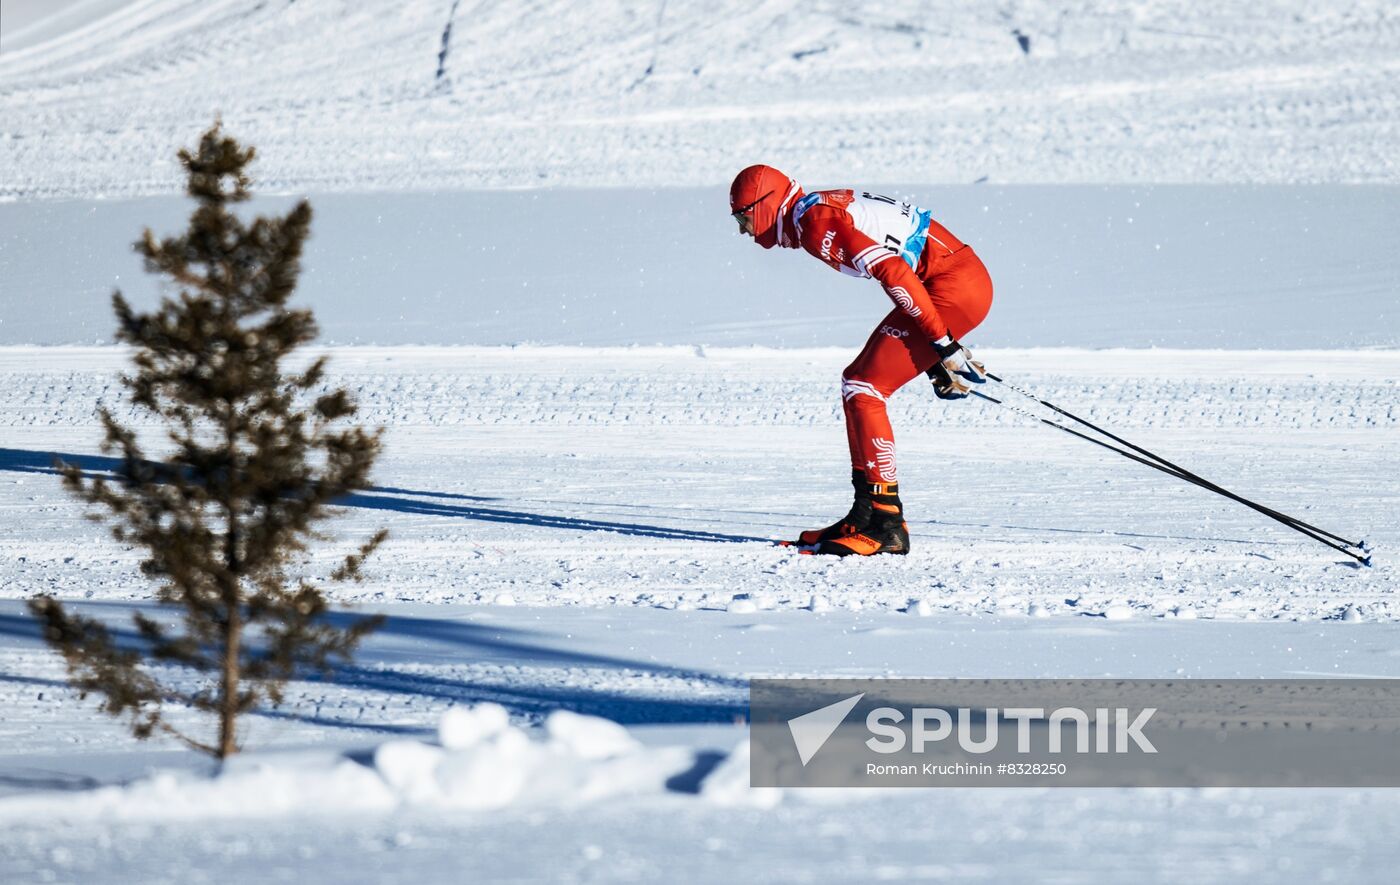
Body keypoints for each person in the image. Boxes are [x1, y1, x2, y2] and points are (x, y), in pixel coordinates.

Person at [729, 164, 993, 556]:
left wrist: (941, 342)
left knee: (865, 387)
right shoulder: (812, 212)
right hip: (952, 279)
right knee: (856, 382)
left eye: (743, 217)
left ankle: (887, 523)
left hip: (954, 284)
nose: (744, 231)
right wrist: (933, 346)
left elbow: (893, 270)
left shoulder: (815, 223)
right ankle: (867, 511)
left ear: (765, 204)